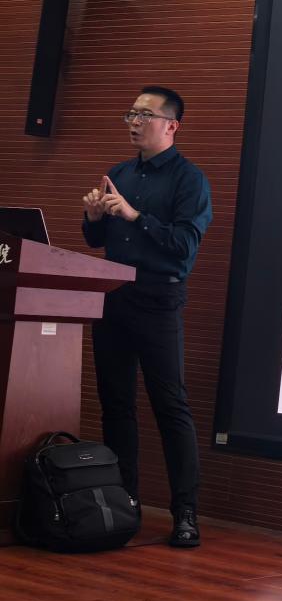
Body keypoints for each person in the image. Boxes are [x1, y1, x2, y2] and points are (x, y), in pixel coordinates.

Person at [81, 85, 212, 548]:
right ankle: (124, 506)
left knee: (170, 406)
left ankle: (185, 513)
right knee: (116, 405)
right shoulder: (119, 173)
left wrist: (136, 216)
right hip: (113, 298)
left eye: (145, 115)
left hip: (159, 300)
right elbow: (97, 242)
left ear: (172, 125)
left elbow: (183, 246)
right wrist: (95, 217)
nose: (134, 122)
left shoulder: (189, 180)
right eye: (131, 114)